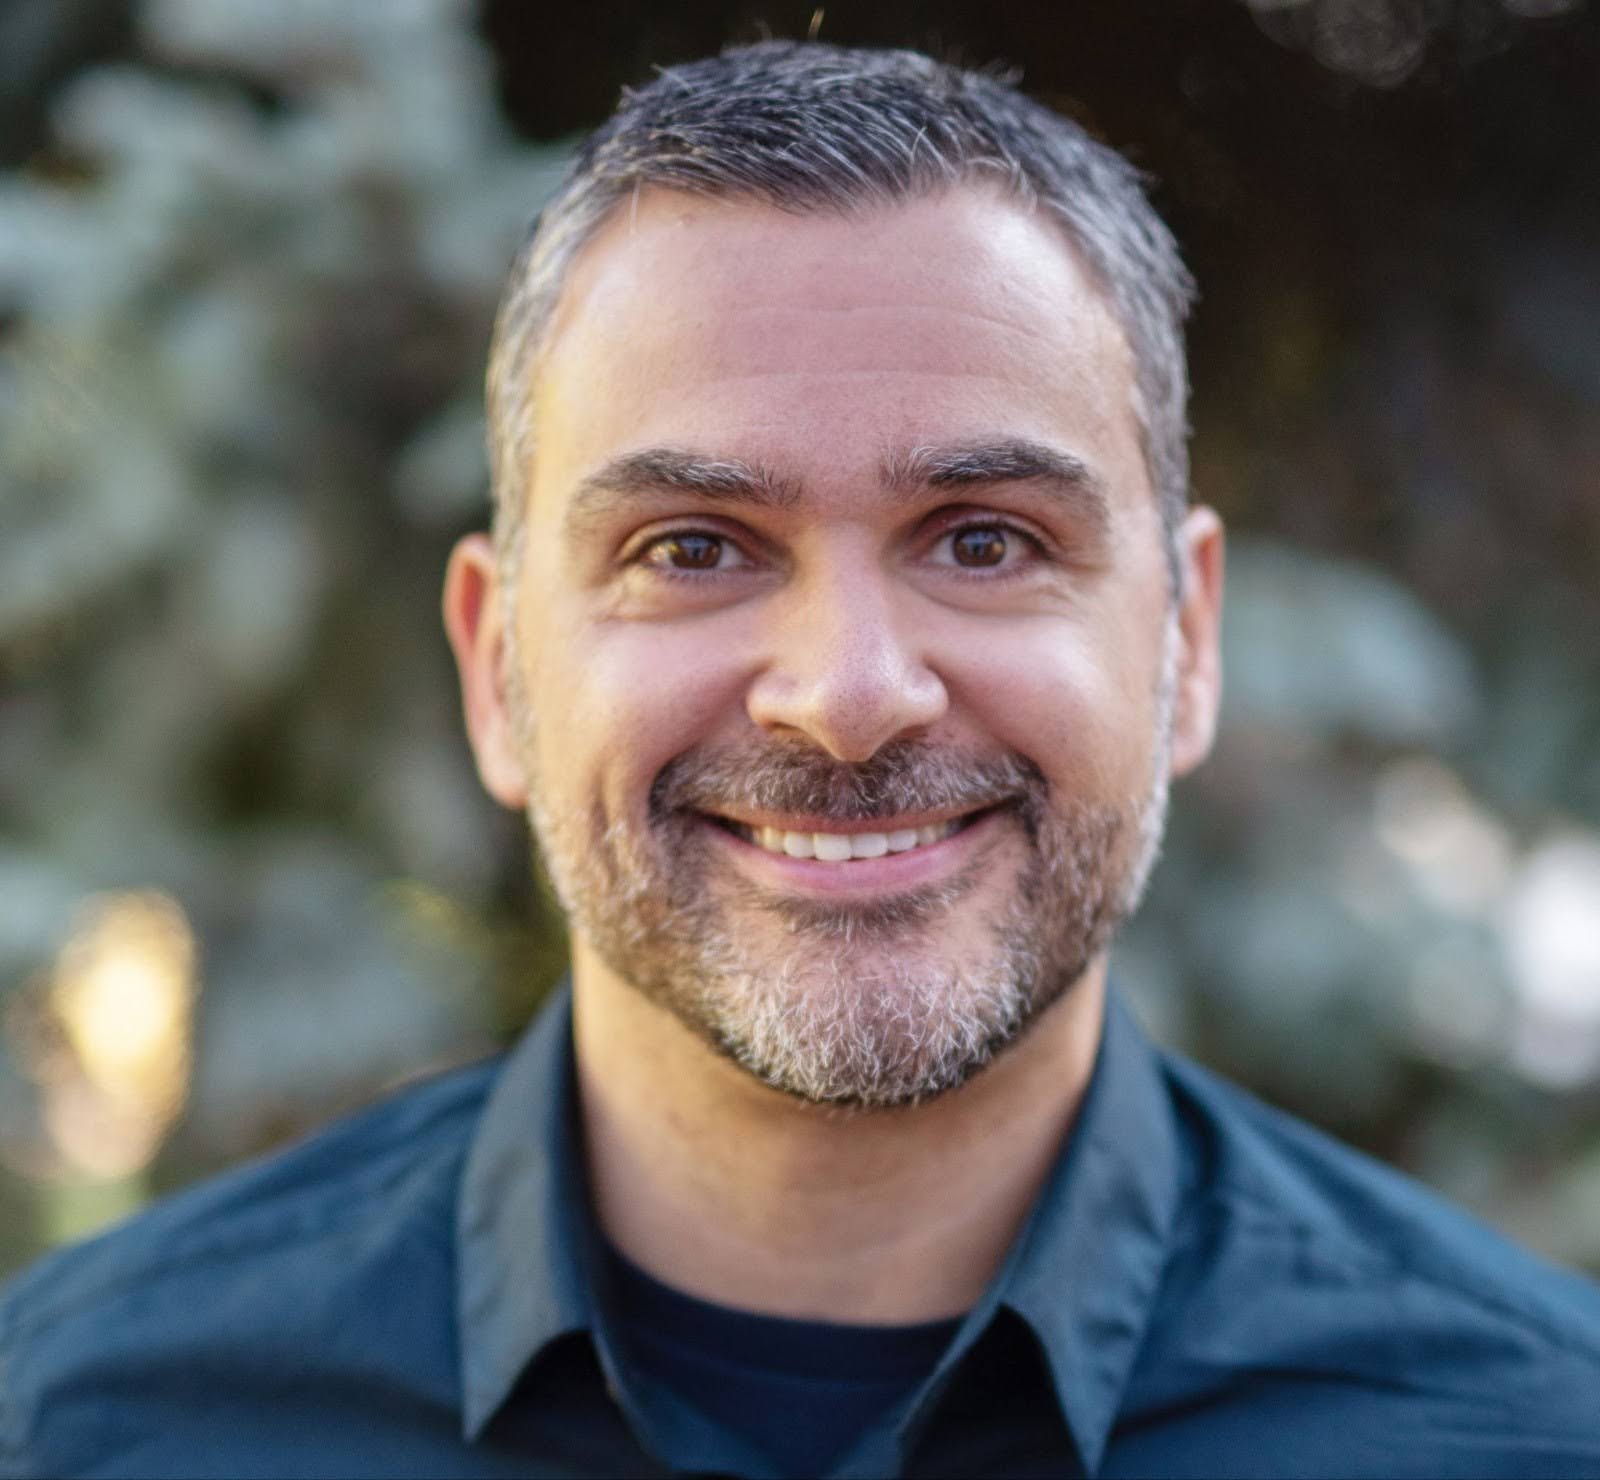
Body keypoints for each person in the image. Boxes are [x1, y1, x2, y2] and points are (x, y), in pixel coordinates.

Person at [3, 39, 1598, 1480]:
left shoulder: (1529, 1434)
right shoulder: (83, 1425)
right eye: (693, 547)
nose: (848, 694)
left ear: (1186, 638)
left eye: (983, 538)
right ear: (498, 671)